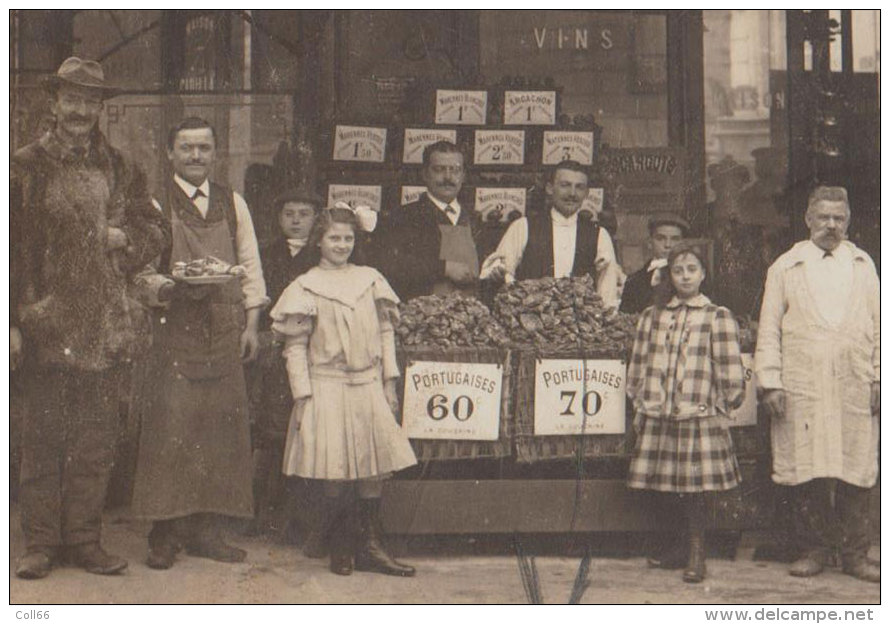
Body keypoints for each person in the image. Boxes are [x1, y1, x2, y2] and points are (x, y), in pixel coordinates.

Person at [10, 57, 171, 579]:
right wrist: (14, 321)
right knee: (41, 442)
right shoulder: (24, 165)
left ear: (102, 109)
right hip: (47, 327)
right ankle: (39, 544)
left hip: (107, 330)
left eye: (91, 101)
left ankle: (84, 540)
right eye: (72, 99)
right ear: (54, 104)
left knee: (96, 442)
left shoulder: (121, 165)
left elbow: (156, 231)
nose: (81, 110)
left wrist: (125, 242)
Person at [130, 116, 269, 570]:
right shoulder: (153, 203)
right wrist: (168, 288)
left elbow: (249, 265)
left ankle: (208, 529)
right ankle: (165, 532)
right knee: (171, 431)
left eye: (203, 149)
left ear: (215, 154)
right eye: (186, 148)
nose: (195, 156)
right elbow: (141, 273)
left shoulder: (234, 202)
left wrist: (252, 324)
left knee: (220, 432)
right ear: (169, 153)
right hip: (174, 332)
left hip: (225, 330)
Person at [270, 204, 418, 577]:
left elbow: (386, 332)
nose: (341, 245)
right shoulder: (305, 286)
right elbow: (295, 346)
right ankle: (341, 545)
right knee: (334, 470)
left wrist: (389, 382)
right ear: (318, 241)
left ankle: (368, 545)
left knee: (372, 468)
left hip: (366, 383)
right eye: (334, 238)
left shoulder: (369, 279)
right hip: (327, 384)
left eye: (348, 238)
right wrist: (303, 396)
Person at [755, 186, 880, 583]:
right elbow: (768, 330)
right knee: (806, 467)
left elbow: (880, 326)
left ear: (848, 221)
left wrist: (879, 376)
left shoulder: (863, 264)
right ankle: (813, 549)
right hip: (802, 385)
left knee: (854, 466)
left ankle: (855, 554)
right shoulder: (786, 267)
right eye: (823, 217)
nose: (831, 225)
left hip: (853, 382)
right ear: (808, 219)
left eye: (838, 218)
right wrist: (771, 383)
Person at [626, 241, 746, 583]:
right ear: (669, 275)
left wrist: (727, 404)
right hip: (660, 412)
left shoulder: (716, 316)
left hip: (698, 412)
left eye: (692, 269)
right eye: (678, 270)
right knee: (668, 484)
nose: (685, 276)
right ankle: (679, 547)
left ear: (703, 273)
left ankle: (697, 552)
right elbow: (639, 361)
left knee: (694, 488)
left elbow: (729, 367)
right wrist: (639, 400)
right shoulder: (653, 316)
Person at [248, 189, 321, 537]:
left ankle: (300, 516)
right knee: (271, 431)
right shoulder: (265, 255)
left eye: (303, 213)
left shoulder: (322, 255)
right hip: (274, 353)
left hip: (311, 352)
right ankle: (263, 511)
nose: (295, 219)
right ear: (279, 219)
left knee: (307, 429)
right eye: (289, 213)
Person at [480, 160, 620, 309]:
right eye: (565, 185)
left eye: (579, 187)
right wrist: (499, 275)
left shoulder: (599, 235)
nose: (572, 193)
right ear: (550, 188)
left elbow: (607, 291)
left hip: (579, 327)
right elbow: (502, 271)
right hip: (531, 325)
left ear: (586, 194)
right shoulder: (523, 227)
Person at [376, 140, 480, 300]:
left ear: (463, 175)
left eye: (455, 170)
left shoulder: (474, 218)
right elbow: (391, 264)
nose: (448, 177)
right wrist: (443, 268)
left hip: (472, 314)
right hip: (424, 316)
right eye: (439, 169)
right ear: (425, 174)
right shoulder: (403, 216)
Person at [619, 212, 689, 314]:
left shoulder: (690, 277)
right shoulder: (634, 280)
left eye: (675, 239)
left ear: (682, 244)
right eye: (660, 238)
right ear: (649, 243)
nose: (668, 245)